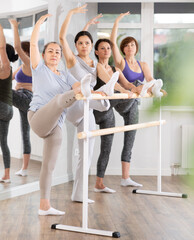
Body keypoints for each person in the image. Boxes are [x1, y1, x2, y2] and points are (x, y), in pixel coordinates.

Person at [28, 14, 88, 215]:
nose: (54, 54)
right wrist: (38, 24)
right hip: (38, 118)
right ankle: (90, 91)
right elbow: (34, 45)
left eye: (58, 52)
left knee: (49, 166)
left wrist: (91, 90)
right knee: (60, 100)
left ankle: (44, 206)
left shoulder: (65, 74)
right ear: (44, 55)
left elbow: (79, 86)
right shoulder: (39, 69)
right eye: (51, 51)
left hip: (56, 126)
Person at [59, 4, 120, 203]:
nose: (84, 46)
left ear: (91, 46)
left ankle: (79, 194)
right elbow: (62, 38)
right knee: (97, 99)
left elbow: (116, 84)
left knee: (87, 152)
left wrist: (130, 91)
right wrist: (70, 13)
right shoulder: (71, 60)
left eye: (87, 43)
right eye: (80, 43)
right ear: (76, 46)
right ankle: (94, 92)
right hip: (75, 105)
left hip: (88, 109)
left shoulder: (95, 64)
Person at [93, 38, 146, 193]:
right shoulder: (97, 67)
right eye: (102, 48)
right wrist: (125, 91)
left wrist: (135, 88)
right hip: (98, 108)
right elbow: (112, 83)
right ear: (96, 52)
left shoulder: (115, 69)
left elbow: (126, 83)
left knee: (106, 148)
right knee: (125, 90)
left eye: (108, 48)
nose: (106, 51)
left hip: (109, 111)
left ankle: (99, 184)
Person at [9, 19, 33, 177]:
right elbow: (7, 79)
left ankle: (24, 168)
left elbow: (17, 46)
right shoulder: (21, 67)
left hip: (26, 98)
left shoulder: (30, 64)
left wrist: (15, 27)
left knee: (26, 132)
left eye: (22, 52)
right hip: (21, 99)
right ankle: (24, 169)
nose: (20, 55)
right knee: (25, 133)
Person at [0, 24, 18, 183]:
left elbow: (1, 46)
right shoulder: (8, 69)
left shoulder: (4, 68)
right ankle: (7, 175)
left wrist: (0, 29)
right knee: (3, 142)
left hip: (1, 107)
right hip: (8, 109)